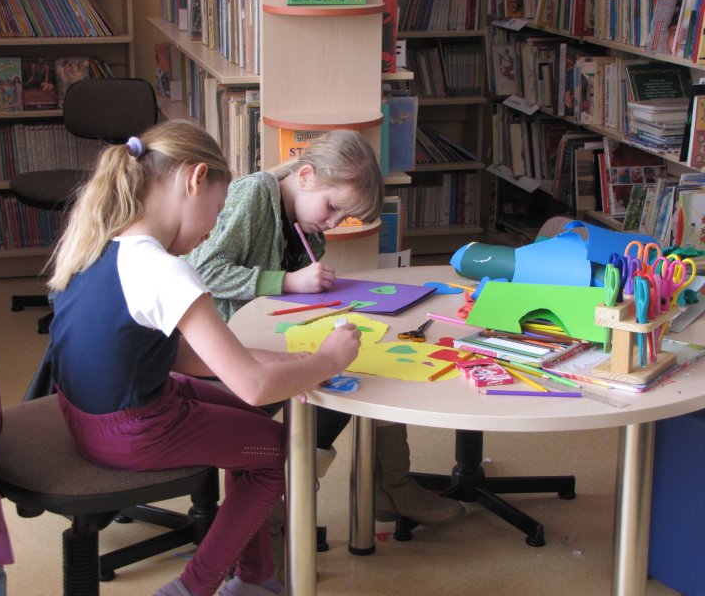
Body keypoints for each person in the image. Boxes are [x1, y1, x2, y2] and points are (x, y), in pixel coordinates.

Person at [45, 119, 362, 596]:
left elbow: (175, 353)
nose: (213, 229)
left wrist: (276, 360)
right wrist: (328, 361)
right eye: (217, 211)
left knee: (250, 427)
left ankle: (257, 578)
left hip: (90, 413)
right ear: (195, 180)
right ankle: (195, 587)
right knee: (278, 453)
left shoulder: (101, 241)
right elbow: (253, 387)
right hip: (131, 429)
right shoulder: (165, 271)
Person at [184, 130, 463, 571]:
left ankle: (391, 485)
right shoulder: (254, 194)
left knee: (365, 364)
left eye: (344, 217)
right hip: (220, 349)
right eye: (333, 208)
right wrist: (287, 281)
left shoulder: (305, 221)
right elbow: (202, 272)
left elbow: (294, 290)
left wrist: (311, 276)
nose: (334, 222)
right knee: (334, 379)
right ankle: (272, 522)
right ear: (306, 176)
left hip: (266, 337)